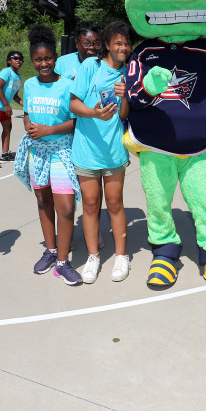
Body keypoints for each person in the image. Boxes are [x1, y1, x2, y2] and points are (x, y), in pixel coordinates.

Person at [13, 25, 82, 285]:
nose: (44, 63)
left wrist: (48, 130)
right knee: (43, 202)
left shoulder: (67, 85)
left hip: (61, 150)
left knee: (64, 207)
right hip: (37, 151)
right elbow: (28, 113)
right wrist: (29, 126)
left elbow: (75, 121)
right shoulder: (29, 85)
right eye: (39, 59)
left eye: (48, 58)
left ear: (55, 58)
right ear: (32, 61)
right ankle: (51, 250)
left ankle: (63, 262)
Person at [69, 21, 133, 283]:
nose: (123, 48)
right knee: (91, 204)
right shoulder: (90, 66)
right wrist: (94, 112)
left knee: (115, 203)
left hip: (114, 150)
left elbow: (125, 115)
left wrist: (126, 95)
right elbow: (74, 104)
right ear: (107, 44)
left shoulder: (129, 72)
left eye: (127, 43)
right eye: (117, 43)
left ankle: (121, 256)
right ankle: (93, 257)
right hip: (86, 149)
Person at [0, 50, 24, 168]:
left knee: (7, 127)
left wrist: (25, 105)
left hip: (4, 106)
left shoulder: (19, 78)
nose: (18, 60)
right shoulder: (6, 72)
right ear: (9, 61)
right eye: (15, 58)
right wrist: (7, 105)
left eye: (21, 58)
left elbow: (15, 96)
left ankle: (5, 154)